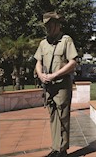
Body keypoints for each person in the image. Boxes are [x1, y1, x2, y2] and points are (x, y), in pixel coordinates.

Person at [34, 11, 78, 157]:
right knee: (53, 116)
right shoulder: (43, 43)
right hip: (49, 86)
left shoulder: (66, 40)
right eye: (46, 26)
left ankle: (62, 150)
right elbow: (38, 62)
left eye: (50, 25)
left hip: (62, 85)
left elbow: (72, 63)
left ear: (57, 25)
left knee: (63, 116)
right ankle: (55, 147)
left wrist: (54, 75)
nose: (47, 28)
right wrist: (40, 75)